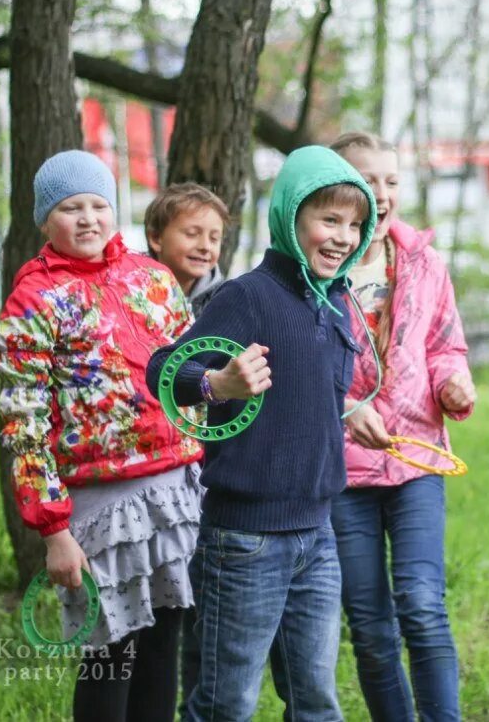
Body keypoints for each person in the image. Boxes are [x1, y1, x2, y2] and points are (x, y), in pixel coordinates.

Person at [148, 145, 376, 721]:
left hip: (317, 533)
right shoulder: (247, 296)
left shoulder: (338, 304)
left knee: (316, 700)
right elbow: (165, 371)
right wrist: (218, 384)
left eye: (354, 224)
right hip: (246, 540)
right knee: (228, 702)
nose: (343, 236)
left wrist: (348, 408)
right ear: (290, 217)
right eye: (328, 220)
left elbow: (306, 387)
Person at [0, 150, 202, 722]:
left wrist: (217, 391)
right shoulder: (33, 300)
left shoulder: (153, 279)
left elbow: (188, 368)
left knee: (164, 645)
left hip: (172, 490)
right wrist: (53, 529)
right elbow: (24, 422)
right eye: (69, 207)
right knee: (111, 652)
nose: (87, 218)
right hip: (98, 505)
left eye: (98, 204)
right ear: (44, 220)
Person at [328, 131, 475, 721]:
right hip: (342, 471)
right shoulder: (316, 270)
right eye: (367, 180)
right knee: (369, 621)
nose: (382, 194)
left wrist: (454, 383)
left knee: (421, 604)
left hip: (416, 457)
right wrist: (342, 408)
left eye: (391, 180)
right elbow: (296, 364)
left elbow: (445, 344)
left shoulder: (423, 262)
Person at [144, 183, 231, 316]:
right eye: (192, 234)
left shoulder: (226, 301)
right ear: (156, 238)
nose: (205, 247)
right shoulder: (129, 292)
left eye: (214, 238)